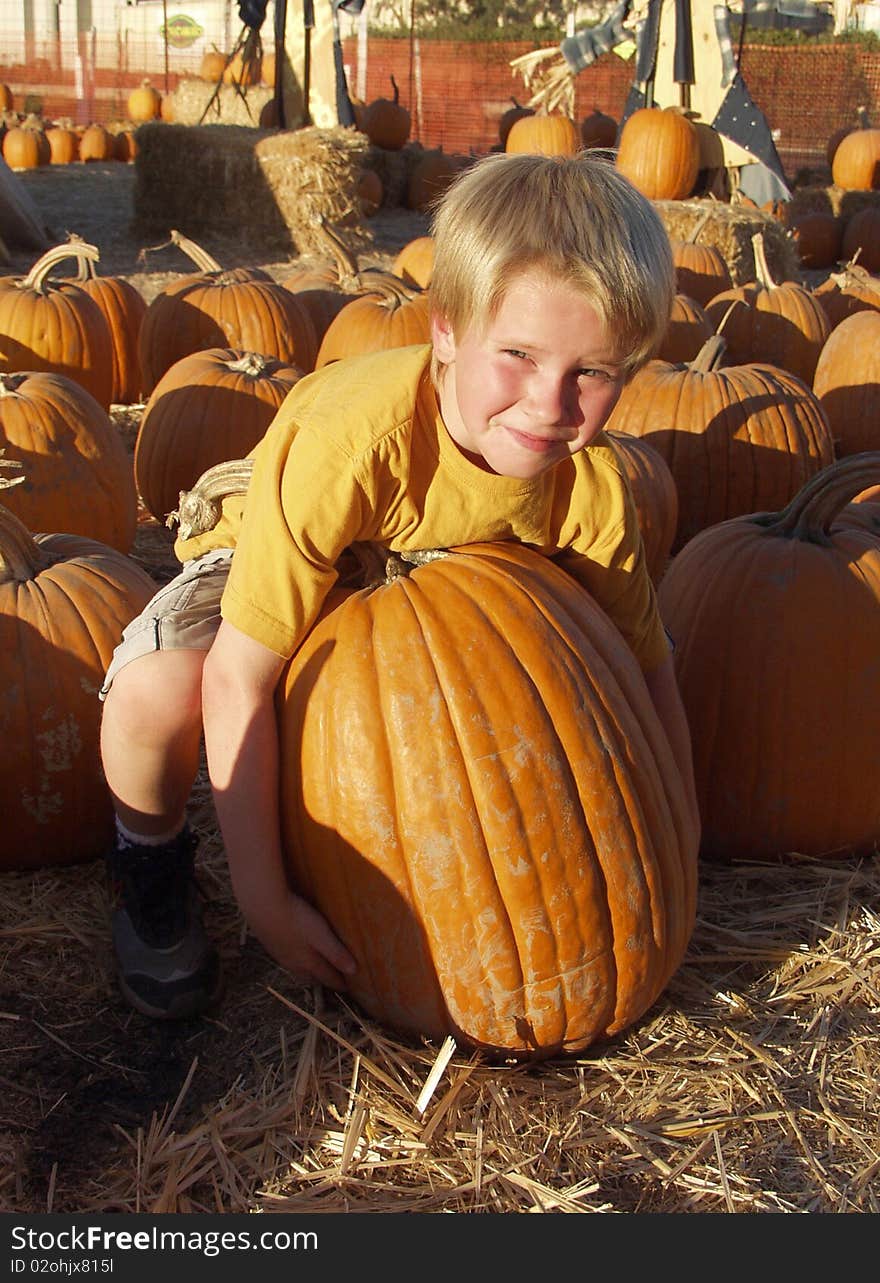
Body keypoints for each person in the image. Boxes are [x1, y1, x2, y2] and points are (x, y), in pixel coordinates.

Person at [99, 150, 700, 1021]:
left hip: (433, 598)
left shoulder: (588, 489)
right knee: (160, 689)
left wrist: (676, 841)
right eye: (520, 354)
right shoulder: (355, 444)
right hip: (289, 540)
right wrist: (265, 903)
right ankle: (147, 866)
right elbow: (238, 678)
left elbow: (649, 671)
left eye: (592, 373)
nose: (549, 403)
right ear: (448, 329)